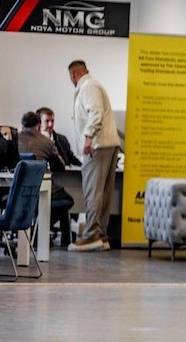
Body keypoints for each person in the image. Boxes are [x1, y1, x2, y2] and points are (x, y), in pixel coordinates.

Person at [68, 60, 121, 252]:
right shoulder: (94, 85)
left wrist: (88, 137)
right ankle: (101, 236)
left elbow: (95, 112)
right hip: (108, 143)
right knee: (104, 193)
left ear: (73, 75)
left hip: (97, 145)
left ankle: (91, 234)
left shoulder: (88, 87)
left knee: (93, 192)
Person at [19, 111, 77, 246]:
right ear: (38, 125)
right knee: (67, 199)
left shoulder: (14, 140)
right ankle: (40, 229)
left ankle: (36, 229)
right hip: (41, 188)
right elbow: (60, 166)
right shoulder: (46, 142)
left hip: (18, 190)